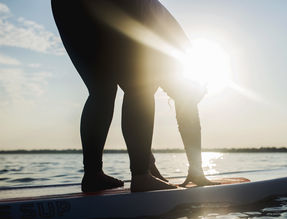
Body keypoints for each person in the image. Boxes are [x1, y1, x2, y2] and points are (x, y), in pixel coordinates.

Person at [52, 0, 216, 192]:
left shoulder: (173, 52)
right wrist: (196, 170)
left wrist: (150, 164)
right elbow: (186, 110)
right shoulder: (181, 55)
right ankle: (141, 177)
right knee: (141, 86)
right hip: (125, 6)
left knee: (102, 90)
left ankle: (93, 175)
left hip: (66, 7)